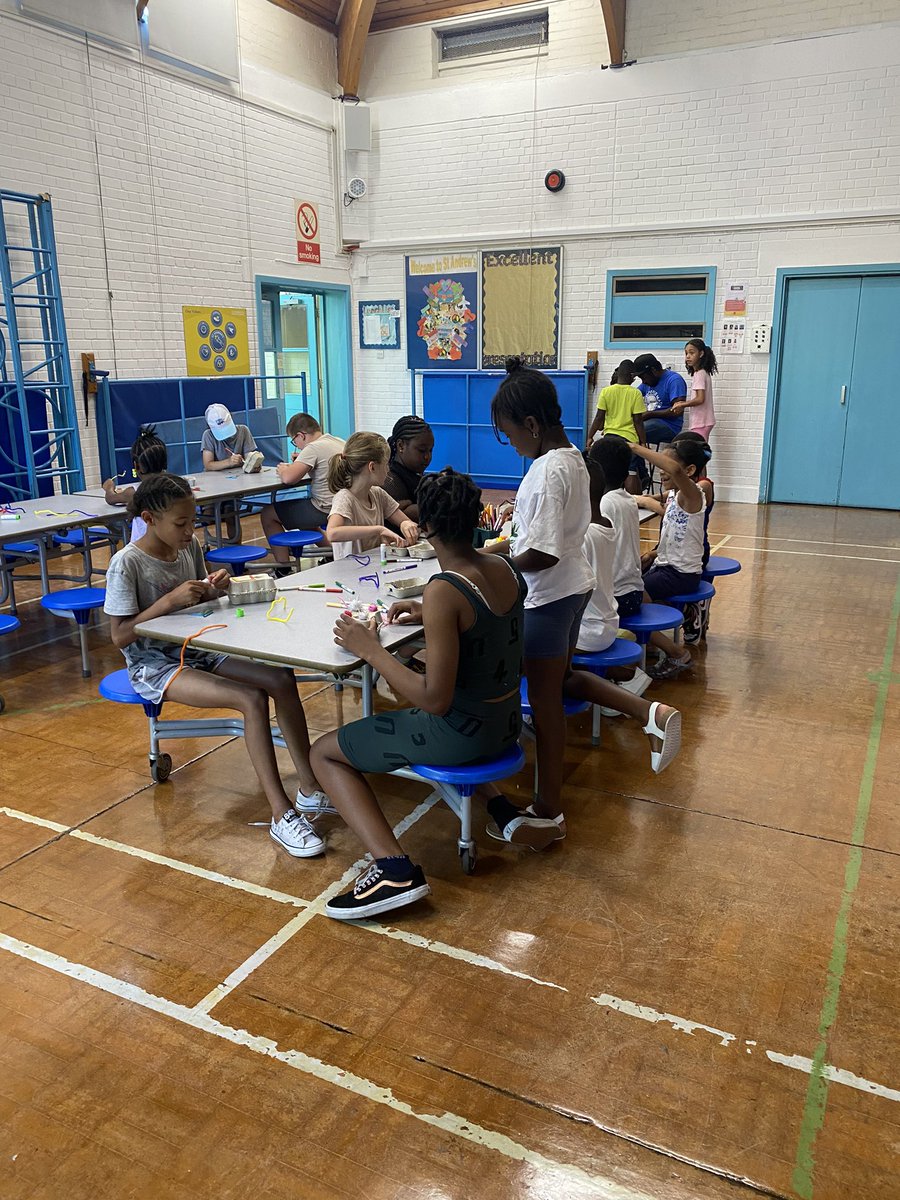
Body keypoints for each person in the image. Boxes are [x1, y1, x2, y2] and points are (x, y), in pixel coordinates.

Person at [311, 468, 526, 920]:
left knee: (324, 753)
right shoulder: (503, 567)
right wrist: (427, 614)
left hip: (463, 733)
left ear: (425, 527)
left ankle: (393, 868)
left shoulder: (444, 589)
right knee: (412, 666)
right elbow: (478, 636)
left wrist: (368, 649)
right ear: (477, 517)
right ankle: (503, 808)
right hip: (505, 725)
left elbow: (434, 701)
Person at [484, 359, 681, 849]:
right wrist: (504, 545)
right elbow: (550, 534)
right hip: (573, 590)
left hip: (548, 597)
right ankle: (648, 712)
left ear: (531, 425)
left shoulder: (549, 469)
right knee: (563, 678)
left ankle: (548, 810)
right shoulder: (573, 455)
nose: (512, 446)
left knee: (548, 706)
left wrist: (494, 564)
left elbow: (543, 550)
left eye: (511, 437)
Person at [103, 471, 329, 858]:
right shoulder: (127, 564)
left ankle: (310, 789)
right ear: (150, 519)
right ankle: (281, 814)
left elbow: (197, 603)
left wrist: (213, 587)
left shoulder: (187, 549)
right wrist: (168, 602)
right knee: (251, 699)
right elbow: (120, 636)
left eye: (194, 520)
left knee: (280, 678)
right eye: (181, 523)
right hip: (154, 665)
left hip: (200, 648)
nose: (191, 531)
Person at [631, 438, 710, 678]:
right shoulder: (674, 494)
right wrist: (654, 554)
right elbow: (676, 534)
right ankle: (653, 641)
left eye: (667, 463)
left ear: (689, 471)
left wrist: (632, 447)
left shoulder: (693, 495)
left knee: (630, 599)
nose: (663, 470)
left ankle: (677, 653)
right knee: (627, 583)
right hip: (665, 565)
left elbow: (674, 470)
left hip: (681, 573)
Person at [260, 414, 344, 573]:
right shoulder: (337, 441)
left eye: (294, 441)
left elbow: (288, 478)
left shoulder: (312, 448)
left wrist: (285, 469)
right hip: (343, 505)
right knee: (303, 516)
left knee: (268, 513)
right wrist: (302, 460)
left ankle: (283, 567)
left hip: (325, 508)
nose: (296, 446)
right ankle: (333, 552)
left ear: (301, 435)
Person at [325, 432, 419, 560]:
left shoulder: (377, 494)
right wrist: (379, 530)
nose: (388, 470)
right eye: (386, 464)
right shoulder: (344, 498)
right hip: (349, 572)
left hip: (373, 568)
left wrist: (406, 525)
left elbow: (403, 520)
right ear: (372, 467)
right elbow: (332, 533)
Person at [585, 362, 646, 495]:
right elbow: (638, 421)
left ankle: (604, 502)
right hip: (628, 439)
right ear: (631, 376)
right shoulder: (635, 393)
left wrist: (589, 436)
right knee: (630, 471)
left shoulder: (606, 391)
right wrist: (643, 442)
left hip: (609, 438)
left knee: (608, 472)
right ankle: (636, 504)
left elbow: (598, 418)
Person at [201, 404, 257, 540]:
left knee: (231, 513)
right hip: (213, 485)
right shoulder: (208, 436)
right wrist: (229, 462)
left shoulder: (243, 431)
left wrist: (254, 463)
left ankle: (235, 546)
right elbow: (208, 464)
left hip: (236, 484)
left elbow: (251, 456)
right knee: (207, 516)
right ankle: (209, 543)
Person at [102, 425, 168, 542]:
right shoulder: (171, 485)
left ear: (136, 465)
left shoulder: (134, 492)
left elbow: (110, 498)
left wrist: (109, 487)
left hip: (142, 548)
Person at [631, 353, 687, 489]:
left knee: (633, 434)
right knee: (627, 432)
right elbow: (632, 397)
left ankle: (641, 475)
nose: (642, 381)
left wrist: (649, 414)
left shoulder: (674, 380)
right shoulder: (646, 384)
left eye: (643, 377)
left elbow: (676, 410)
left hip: (669, 426)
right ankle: (637, 475)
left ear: (654, 370)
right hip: (652, 423)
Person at [383, 415, 435, 522]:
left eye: (430, 450)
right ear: (401, 446)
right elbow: (404, 514)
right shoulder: (390, 479)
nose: (427, 457)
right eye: (422, 450)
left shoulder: (413, 473)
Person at [674, 339, 718, 441]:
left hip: (701, 421)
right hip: (703, 421)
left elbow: (700, 399)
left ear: (701, 354)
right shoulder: (702, 373)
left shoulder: (699, 374)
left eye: (692, 353)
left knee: (698, 452)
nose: (688, 356)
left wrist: (682, 404)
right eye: (686, 353)